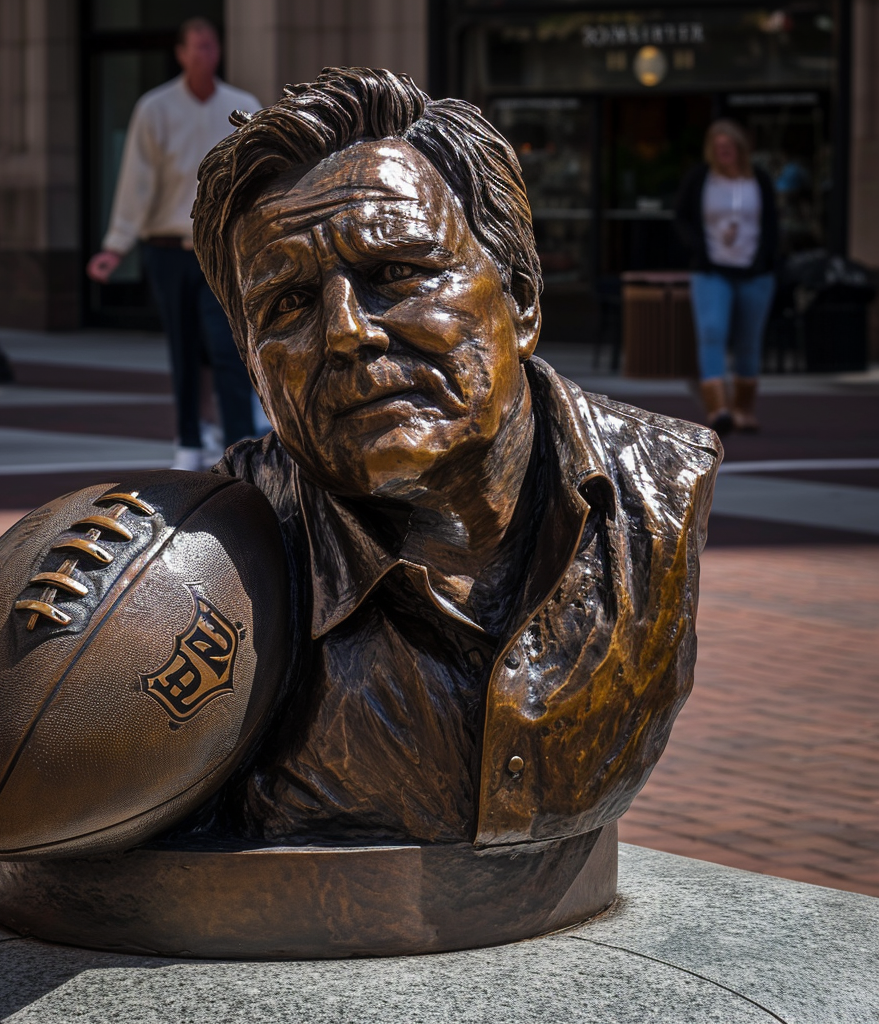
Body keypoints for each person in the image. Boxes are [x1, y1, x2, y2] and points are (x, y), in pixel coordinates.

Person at [190, 69, 721, 847]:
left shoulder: (659, 486)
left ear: (524, 298)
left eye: (394, 273)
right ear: (251, 363)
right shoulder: (203, 567)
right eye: (288, 306)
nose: (344, 333)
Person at [86, 18, 260, 470]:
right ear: (181, 54)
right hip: (166, 250)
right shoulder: (155, 108)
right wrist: (115, 246)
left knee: (227, 349)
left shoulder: (242, 107)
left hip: (220, 252)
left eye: (211, 46)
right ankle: (188, 440)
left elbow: (257, 181)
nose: (205, 54)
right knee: (183, 350)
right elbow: (136, 183)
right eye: (196, 47)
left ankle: (242, 448)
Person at [675, 120, 779, 434]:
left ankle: (744, 410)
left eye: (729, 147)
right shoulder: (700, 179)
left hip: (754, 272)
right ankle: (718, 409)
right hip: (712, 271)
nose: (724, 153)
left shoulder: (758, 179)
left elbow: (773, 222)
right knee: (711, 331)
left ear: (740, 149)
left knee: (748, 341)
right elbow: (681, 217)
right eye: (718, 148)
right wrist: (697, 246)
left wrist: (770, 259)